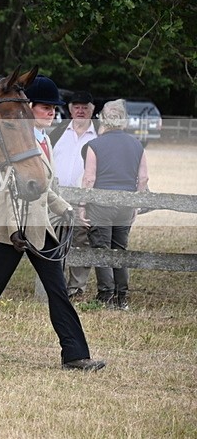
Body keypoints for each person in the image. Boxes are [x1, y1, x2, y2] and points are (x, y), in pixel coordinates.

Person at [0, 75, 105, 371]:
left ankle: (75, 354)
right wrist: (14, 230)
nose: (51, 112)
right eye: (45, 107)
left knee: (55, 289)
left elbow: (43, 187)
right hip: (12, 227)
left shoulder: (43, 140)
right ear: (29, 108)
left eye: (53, 108)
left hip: (38, 224)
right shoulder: (18, 141)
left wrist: (65, 209)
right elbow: (10, 188)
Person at [81, 99, 149, 310]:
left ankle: (106, 295)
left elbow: (89, 179)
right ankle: (122, 298)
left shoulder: (95, 145)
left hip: (101, 204)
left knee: (101, 249)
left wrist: (82, 205)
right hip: (126, 204)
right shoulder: (137, 145)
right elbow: (143, 179)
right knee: (120, 249)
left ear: (103, 119)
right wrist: (136, 205)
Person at [50, 91, 98, 301]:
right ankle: (55, 284)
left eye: (84, 107)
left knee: (81, 240)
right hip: (57, 197)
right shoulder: (58, 132)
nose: (80, 111)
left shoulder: (98, 135)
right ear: (70, 110)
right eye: (76, 107)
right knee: (54, 239)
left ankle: (76, 288)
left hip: (84, 199)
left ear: (92, 110)